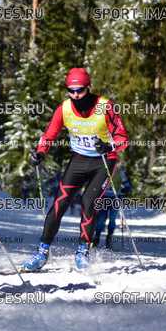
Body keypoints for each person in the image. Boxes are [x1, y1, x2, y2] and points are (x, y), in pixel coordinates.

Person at [23, 68, 128, 271]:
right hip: (79, 160)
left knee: (89, 202)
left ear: (88, 87)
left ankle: (82, 251)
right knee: (59, 203)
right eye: (71, 91)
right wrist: (40, 152)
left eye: (80, 90)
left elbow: (123, 138)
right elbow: (49, 134)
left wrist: (109, 146)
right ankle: (42, 253)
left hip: (103, 161)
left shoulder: (105, 106)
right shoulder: (64, 108)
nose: (76, 95)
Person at [92, 165, 132, 249]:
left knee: (112, 219)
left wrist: (125, 189)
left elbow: (127, 185)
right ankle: (97, 237)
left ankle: (109, 238)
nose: (115, 165)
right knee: (101, 219)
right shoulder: (105, 170)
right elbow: (97, 183)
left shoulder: (120, 172)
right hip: (104, 198)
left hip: (115, 198)